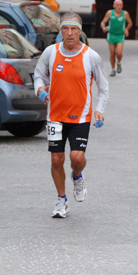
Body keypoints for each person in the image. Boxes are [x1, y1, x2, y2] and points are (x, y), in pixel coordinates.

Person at [34, 12, 109, 218]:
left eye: (73, 29)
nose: (69, 33)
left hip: (80, 116)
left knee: (76, 158)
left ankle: (77, 176)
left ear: (80, 31)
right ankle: (61, 200)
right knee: (57, 159)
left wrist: (99, 110)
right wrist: (40, 91)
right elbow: (39, 76)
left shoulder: (90, 56)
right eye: (65, 29)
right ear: (61, 31)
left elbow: (103, 87)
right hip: (55, 116)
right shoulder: (51, 52)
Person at [100, 0, 133, 76]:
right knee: (112, 53)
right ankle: (113, 69)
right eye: (117, 5)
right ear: (114, 5)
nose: (119, 7)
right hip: (111, 35)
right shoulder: (109, 13)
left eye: (120, 5)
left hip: (120, 35)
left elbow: (130, 23)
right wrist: (104, 27)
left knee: (118, 53)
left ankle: (118, 62)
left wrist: (127, 29)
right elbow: (103, 22)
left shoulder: (125, 13)